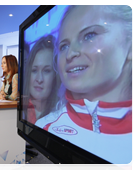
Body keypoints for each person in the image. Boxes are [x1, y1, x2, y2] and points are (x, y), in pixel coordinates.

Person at [35, 5, 134, 169]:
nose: (71, 53)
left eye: (90, 35)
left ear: (131, 44)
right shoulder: (45, 127)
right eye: (64, 46)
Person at [23, 35, 60, 124]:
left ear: (55, 75)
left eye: (46, 71)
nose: (39, 79)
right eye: (34, 70)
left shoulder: (61, 115)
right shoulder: (20, 110)